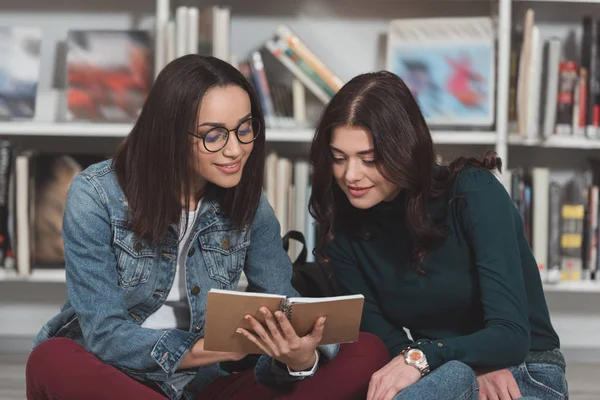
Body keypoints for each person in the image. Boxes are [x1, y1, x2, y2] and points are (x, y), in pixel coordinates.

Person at [25, 55, 390, 400]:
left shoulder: (249, 201)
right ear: (168, 134)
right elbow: (104, 336)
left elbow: (283, 305)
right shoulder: (96, 194)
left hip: (200, 387)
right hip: (114, 377)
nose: (236, 150)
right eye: (214, 135)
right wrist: (207, 349)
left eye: (245, 129)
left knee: (366, 350)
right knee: (52, 360)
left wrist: (297, 360)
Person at [308, 70, 568, 400]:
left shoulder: (474, 193)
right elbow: (386, 340)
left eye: (369, 159)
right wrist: (444, 363)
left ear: (404, 148)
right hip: (437, 370)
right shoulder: (342, 227)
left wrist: (434, 357)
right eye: (338, 158)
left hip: (521, 371)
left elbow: (511, 336)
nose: (351, 175)